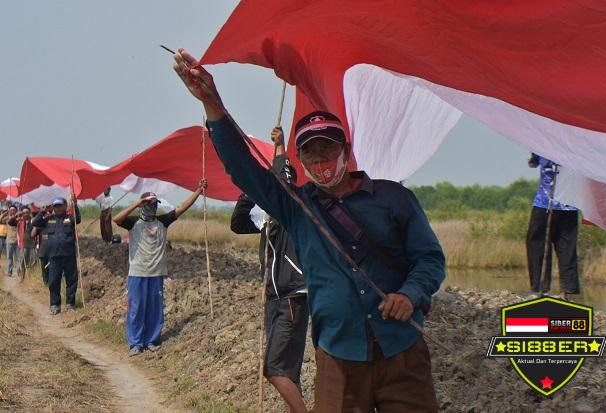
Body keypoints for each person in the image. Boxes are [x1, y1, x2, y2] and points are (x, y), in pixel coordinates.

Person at [174, 49, 445, 412]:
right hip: (339, 354)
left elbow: (429, 259)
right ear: (300, 161)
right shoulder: (296, 206)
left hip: (402, 350)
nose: (320, 162)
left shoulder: (394, 199)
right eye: (311, 155)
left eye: (327, 151)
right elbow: (243, 170)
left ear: (346, 152)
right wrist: (213, 104)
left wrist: (410, 294)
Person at [231, 126, 309, 413]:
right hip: (274, 296)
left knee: (274, 368)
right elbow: (238, 223)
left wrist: (280, 150)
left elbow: (284, 181)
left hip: (292, 295)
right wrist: (250, 189)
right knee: (288, 369)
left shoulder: (295, 209)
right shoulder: (266, 214)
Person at [113, 180, 207, 356]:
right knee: (136, 309)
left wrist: (198, 191)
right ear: (143, 205)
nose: (152, 208)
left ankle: (151, 340)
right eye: (149, 204)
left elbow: (181, 208)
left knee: (154, 309)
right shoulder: (133, 223)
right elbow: (116, 219)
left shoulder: (163, 221)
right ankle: (135, 343)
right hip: (138, 272)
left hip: (156, 273)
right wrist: (136, 203)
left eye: (155, 205)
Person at [526, 154, 580, 300]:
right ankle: (565, 291)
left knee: (538, 244)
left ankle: (539, 288)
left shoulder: (544, 141)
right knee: (566, 247)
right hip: (569, 204)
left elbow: (532, 163)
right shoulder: (576, 146)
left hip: (545, 202)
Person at [32, 196, 81, 314]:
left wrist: (75, 205)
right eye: (55, 206)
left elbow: (78, 219)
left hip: (69, 255)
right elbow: (36, 222)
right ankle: (55, 305)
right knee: (53, 281)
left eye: (60, 205)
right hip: (54, 256)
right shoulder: (49, 219)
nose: (58, 208)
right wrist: (43, 210)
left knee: (72, 280)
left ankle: (70, 304)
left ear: (65, 206)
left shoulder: (70, 218)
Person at [31, 205, 52, 286]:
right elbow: (35, 223)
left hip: (54, 251)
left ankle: (52, 284)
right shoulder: (43, 223)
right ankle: (46, 284)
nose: (50, 213)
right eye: (49, 211)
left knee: (53, 269)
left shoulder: (57, 221)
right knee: (44, 269)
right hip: (43, 252)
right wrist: (43, 211)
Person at [17, 206, 36, 271]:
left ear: (29, 213)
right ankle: (20, 278)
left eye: (27, 212)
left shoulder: (33, 221)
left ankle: (29, 278)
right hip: (23, 245)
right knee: (22, 263)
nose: (25, 214)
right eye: (24, 212)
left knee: (32, 263)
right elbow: (11, 221)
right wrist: (18, 214)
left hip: (32, 245)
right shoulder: (20, 221)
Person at [1, 206, 19, 277]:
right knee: (9, 258)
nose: (12, 211)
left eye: (14, 210)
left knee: (18, 258)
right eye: (11, 210)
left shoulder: (18, 218)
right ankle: (9, 272)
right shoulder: (7, 219)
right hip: (9, 241)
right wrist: (6, 212)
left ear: (16, 210)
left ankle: (19, 272)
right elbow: (0, 219)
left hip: (18, 241)